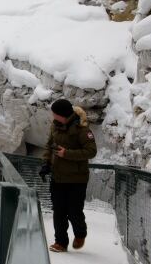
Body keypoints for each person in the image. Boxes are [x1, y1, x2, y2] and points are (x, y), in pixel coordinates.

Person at [39, 98, 97, 253]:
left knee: (74, 211)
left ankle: (80, 234)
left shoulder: (82, 129)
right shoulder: (55, 126)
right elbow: (49, 146)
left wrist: (67, 154)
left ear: (63, 114)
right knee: (58, 211)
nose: (52, 116)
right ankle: (61, 242)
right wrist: (46, 164)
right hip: (58, 177)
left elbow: (91, 152)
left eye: (55, 113)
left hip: (76, 179)